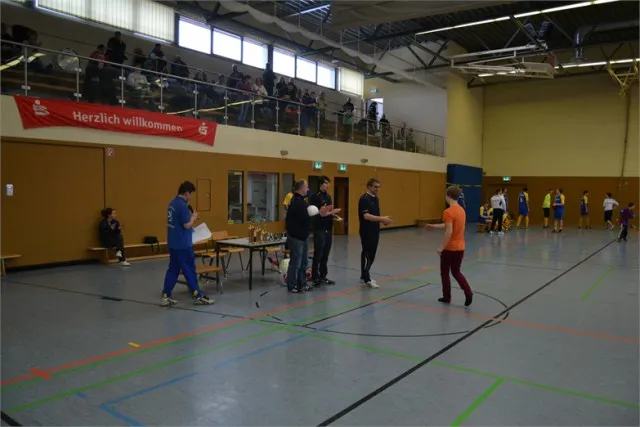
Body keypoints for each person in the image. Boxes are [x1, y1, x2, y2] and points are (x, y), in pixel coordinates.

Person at [161, 181, 215, 306]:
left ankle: (165, 296)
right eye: (190, 194)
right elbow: (186, 225)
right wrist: (193, 218)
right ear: (186, 193)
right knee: (189, 269)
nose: (190, 197)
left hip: (173, 243)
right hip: (183, 244)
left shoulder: (172, 204)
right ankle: (198, 295)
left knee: (173, 269)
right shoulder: (182, 205)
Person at [425, 186, 473, 306]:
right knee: (456, 272)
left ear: (448, 196)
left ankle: (447, 297)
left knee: (445, 272)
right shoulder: (462, 210)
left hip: (450, 248)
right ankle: (468, 292)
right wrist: (433, 226)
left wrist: (441, 247)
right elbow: (448, 225)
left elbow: (449, 231)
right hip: (460, 247)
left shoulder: (448, 212)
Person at [285, 180, 331, 293]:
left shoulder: (301, 200)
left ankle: (302, 283)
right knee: (295, 262)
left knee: (304, 262)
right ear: (301, 188)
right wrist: (319, 214)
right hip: (296, 237)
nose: (308, 189)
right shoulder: (297, 202)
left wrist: (320, 213)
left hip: (302, 236)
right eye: (306, 187)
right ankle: (292, 285)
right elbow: (306, 219)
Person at [359, 178, 392, 288]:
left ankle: (364, 275)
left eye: (379, 187)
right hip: (366, 230)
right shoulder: (364, 199)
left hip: (375, 230)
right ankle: (367, 278)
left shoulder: (376, 199)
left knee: (372, 253)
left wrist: (383, 221)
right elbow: (366, 216)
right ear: (369, 186)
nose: (377, 189)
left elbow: (376, 214)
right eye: (375, 187)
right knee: (368, 253)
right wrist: (382, 218)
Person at [310, 176, 341, 286]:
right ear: (320, 184)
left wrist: (334, 215)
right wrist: (332, 212)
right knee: (318, 253)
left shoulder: (328, 196)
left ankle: (323, 275)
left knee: (326, 253)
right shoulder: (315, 197)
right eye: (325, 183)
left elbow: (328, 211)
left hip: (328, 227)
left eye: (328, 183)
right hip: (320, 228)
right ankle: (315, 276)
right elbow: (319, 213)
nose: (327, 185)